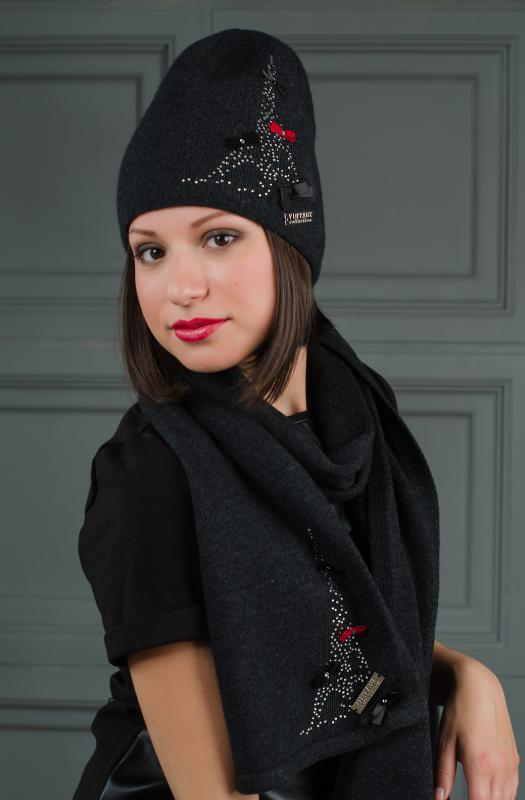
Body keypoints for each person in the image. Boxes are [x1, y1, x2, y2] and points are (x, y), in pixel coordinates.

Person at [73, 28, 520, 800]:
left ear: (291, 247)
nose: (179, 286)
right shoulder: (150, 470)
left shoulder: (357, 422)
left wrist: (464, 674)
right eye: (150, 251)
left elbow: (332, 622)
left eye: (218, 237)